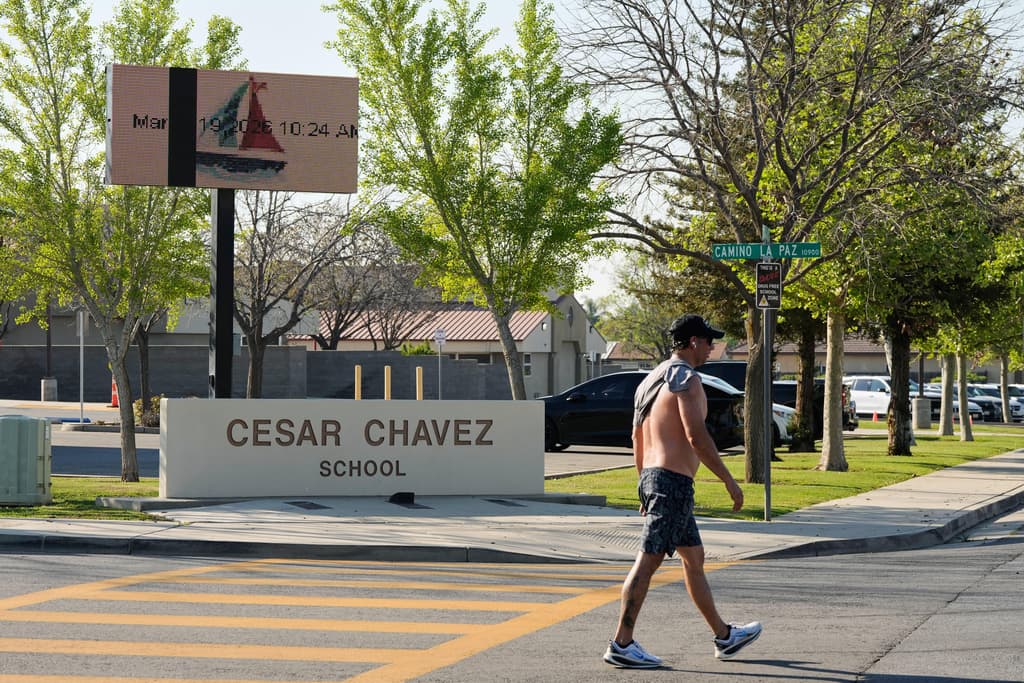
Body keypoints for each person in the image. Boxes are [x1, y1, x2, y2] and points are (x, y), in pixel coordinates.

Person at [603, 314, 762, 669]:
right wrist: (728, 480)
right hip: (672, 483)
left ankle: (725, 637)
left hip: (657, 479)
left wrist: (644, 484)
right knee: (648, 560)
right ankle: (621, 643)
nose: (711, 347)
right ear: (693, 342)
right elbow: (696, 436)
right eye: (708, 341)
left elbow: (636, 437)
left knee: (694, 559)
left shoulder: (650, 380)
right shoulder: (687, 380)